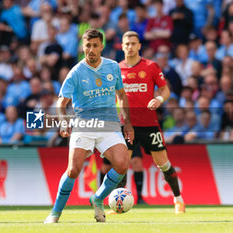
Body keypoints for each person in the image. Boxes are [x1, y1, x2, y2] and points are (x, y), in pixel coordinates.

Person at [44, 28, 134, 223]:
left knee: (122, 163)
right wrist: (63, 121)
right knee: (73, 170)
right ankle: (55, 213)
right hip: (85, 124)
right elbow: (62, 102)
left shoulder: (112, 67)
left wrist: (127, 123)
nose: (91, 50)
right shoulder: (76, 72)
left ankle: (98, 198)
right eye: (88, 46)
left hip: (109, 125)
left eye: (95, 45)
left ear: (102, 46)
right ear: (82, 47)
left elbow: (121, 95)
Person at [118, 31, 185, 214]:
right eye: (127, 44)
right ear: (122, 46)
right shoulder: (116, 69)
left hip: (149, 124)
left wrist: (159, 100)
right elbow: (116, 96)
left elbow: (165, 90)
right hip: (127, 125)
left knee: (163, 163)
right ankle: (119, 204)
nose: (130, 47)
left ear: (139, 46)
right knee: (122, 164)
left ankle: (178, 199)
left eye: (133, 43)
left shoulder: (151, 66)